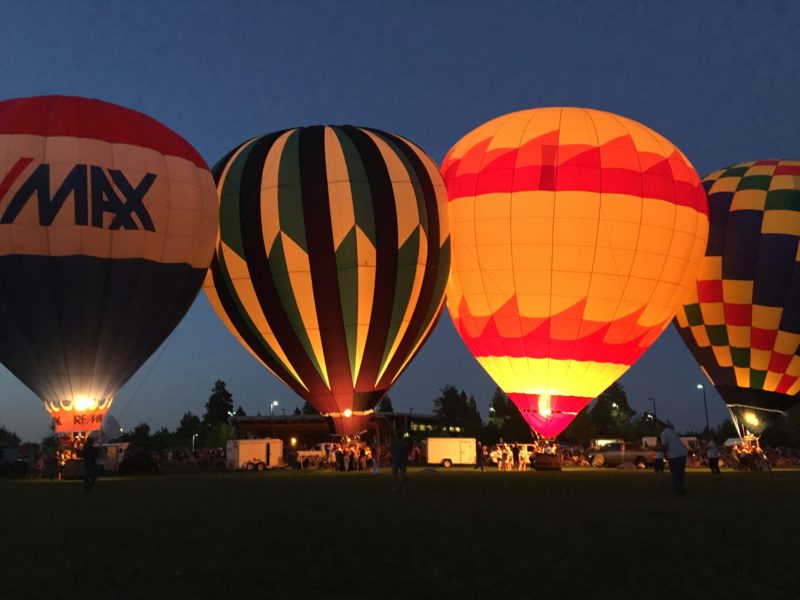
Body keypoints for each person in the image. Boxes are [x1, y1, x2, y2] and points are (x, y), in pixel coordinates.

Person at [658, 421, 687, 494]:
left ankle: (677, 489)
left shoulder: (664, 433)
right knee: (680, 473)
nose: (657, 429)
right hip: (682, 453)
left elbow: (665, 446)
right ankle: (681, 488)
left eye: (657, 427)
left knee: (674, 473)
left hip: (674, 455)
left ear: (660, 426)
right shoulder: (672, 431)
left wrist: (659, 450)